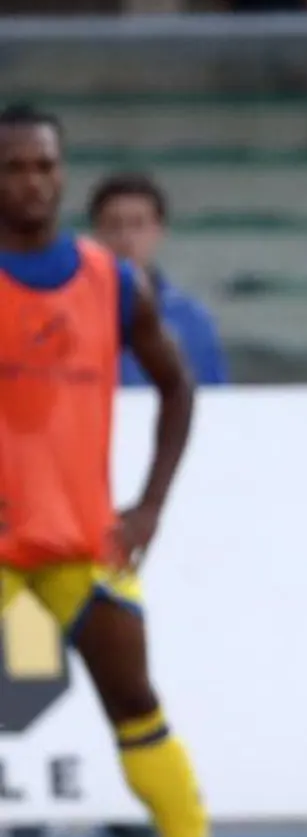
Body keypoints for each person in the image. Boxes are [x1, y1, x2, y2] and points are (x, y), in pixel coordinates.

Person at [0, 106, 204, 837]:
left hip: (82, 537)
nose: (32, 180)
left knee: (137, 704)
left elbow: (178, 386)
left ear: (62, 173)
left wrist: (149, 506)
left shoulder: (111, 282)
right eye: (14, 167)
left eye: (44, 165)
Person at [87, 172, 229, 387]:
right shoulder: (70, 314)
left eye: (137, 225)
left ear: (158, 230)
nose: (126, 238)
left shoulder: (191, 319)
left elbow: (215, 400)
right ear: (96, 233)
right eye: (114, 225)